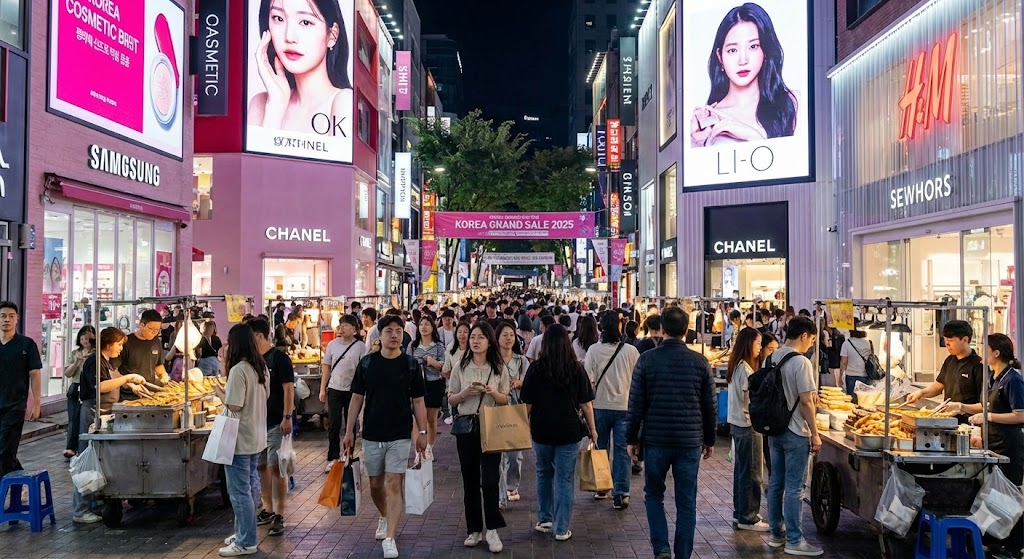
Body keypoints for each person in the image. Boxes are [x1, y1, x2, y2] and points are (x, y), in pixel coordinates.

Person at [626, 307, 715, 559]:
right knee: (686, 501)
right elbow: (709, 405)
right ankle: (683, 554)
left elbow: (636, 404)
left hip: (655, 441)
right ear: (686, 330)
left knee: (654, 494)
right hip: (689, 441)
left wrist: (631, 438)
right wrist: (709, 439)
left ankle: (661, 549)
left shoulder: (647, 360)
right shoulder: (700, 362)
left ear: (661, 329)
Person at [343, 315, 428, 559]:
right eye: (389, 330)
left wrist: (422, 432)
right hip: (371, 433)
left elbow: (419, 401)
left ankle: (390, 537)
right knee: (376, 486)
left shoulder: (410, 365)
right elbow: (357, 398)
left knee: (393, 483)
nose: (394, 335)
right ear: (379, 335)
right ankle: (384, 515)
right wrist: (349, 431)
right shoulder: (368, 364)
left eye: (398, 331)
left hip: (400, 433)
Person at [949, 334, 1024, 559]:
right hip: (993, 443)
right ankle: (997, 541)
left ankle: (1014, 547)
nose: (981, 349)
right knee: (994, 494)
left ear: (997, 352)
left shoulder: (1013, 379)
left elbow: (1020, 415)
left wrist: (988, 417)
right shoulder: (993, 376)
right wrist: (961, 406)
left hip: (1010, 446)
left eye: (985, 346)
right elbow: (985, 405)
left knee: (1009, 495)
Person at [520, 323, 595, 541]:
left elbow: (528, 403)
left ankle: (545, 519)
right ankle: (561, 528)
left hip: (541, 430)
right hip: (569, 431)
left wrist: (523, 426)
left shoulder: (535, 369)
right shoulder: (576, 368)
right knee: (564, 477)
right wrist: (592, 429)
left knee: (544, 473)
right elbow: (586, 403)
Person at [691, 3, 797, 147]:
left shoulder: (792, 103)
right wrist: (697, 144)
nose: (743, 60)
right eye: (732, 50)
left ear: (765, 51)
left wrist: (752, 136)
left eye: (753, 47)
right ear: (720, 56)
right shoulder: (709, 120)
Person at [72, 327, 148, 523]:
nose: (121, 349)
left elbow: (112, 377)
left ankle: (95, 503)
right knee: (87, 460)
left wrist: (128, 384)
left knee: (101, 459)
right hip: (91, 413)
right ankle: (80, 510)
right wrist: (128, 378)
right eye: (120, 345)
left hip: (103, 413)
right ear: (108, 344)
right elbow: (102, 386)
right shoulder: (94, 361)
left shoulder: (104, 361)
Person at [448, 322, 510, 553]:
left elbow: (505, 399)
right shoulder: (460, 368)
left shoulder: (498, 368)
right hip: (466, 427)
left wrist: (494, 393)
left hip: (491, 426)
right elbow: (451, 399)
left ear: (489, 341)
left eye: (480, 337)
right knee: (470, 480)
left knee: (490, 480)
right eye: (472, 337)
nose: (475, 341)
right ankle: (474, 529)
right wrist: (464, 394)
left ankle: (492, 529)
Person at [249, 0, 353, 135]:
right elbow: (253, 157)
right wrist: (275, 109)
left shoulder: (343, 102)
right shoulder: (260, 104)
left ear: (332, 35)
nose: (289, 37)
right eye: (279, 18)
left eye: (305, 22)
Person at [764, 316, 822, 556]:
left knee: (776, 483)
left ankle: (777, 535)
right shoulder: (801, 362)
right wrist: (815, 434)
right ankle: (795, 540)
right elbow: (807, 401)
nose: (811, 345)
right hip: (796, 430)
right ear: (805, 336)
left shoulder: (772, 356)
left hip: (774, 429)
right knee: (795, 487)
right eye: (812, 340)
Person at [214, 325, 269, 557]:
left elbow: (235, 405)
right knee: (250, 485)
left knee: (239, 491)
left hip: (238, 438)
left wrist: (219, 393)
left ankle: (246, 540)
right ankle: (244, 532)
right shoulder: (261, 367)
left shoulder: (239, 370)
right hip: (255, 435)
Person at [585, 311, 641, 509]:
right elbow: (638, 380)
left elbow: (587, 378)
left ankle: (602, 487)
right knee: (622, 451)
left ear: (600, 327)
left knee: (601, 449)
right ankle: (621, 494)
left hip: (599, 406)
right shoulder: (631, 351)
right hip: (624, 407)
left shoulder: (593, 350)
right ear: (620, 328)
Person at [248, 319, 294, 538]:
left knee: (277, 468)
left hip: (276, 420)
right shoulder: (252, 359)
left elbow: (288, 390)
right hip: (257, 422)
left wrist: (287, 416)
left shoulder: (279, 358)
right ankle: (267, 508)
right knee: (261, 466)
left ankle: (280, 513)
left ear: (259, 336)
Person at [726, 327, 768, 532]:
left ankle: (741, 511)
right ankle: (748, 516)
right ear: (748, 344)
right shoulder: (745, 369)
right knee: (752, 472)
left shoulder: (738, 366)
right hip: (747, 424)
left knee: (742, 471)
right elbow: (751, 399)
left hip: (737, 423)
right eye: (758, 343)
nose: (760, 348)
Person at [906, 320, 984, 419]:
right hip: (947, 420)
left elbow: (984, 406)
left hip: (968, 422)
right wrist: (921, 393)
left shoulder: (978, 365)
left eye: (951, 341)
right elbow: (938, 386)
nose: (947, 345)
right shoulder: (950, 360)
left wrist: (960, 407)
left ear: (964, 340)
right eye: (946, 341)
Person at [0, 302, 42, 478]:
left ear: (17, 319)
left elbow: (35, 374)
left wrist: (37, 403)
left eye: (11, 316)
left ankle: (9, 489)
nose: (7, 320)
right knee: (5, 452)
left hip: (15, 406)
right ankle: (22, 479)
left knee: (4, 450)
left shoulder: (26, 344)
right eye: (3, 316)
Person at [320, 315, 365, 472]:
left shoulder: (360, 346)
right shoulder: (332, 345)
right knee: (334, 424)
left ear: (354, 329)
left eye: (346, 325)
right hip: (334, 389)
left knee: (350, 425)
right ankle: (332, 457)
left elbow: (362, 369)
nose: (342, 328)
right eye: (341, 325)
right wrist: (322, 389)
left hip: (353, 391)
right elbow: (326, 367)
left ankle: (348, 455)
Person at [495, 321, 528, 510]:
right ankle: (500, 495)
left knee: (515, 455)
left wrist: (520, 382)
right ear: (497, 338)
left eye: (511, 335)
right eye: (504, 334)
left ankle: (512, 486)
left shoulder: (521, 361)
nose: (508, 338)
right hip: (497, 410)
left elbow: (529, 381)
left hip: (516, 410)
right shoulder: (492, 359)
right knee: (498, 455)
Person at [411, 316, 446, 460]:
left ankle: (429, 448)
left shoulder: (438, 346)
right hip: (417, 385)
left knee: (431, 419)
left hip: (433, 384)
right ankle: (417, 450)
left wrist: (433, 362)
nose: (424, 327)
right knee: (417, 420)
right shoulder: (413, 346)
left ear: (433, 327)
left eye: (427, 324)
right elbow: (408, 364)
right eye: (421, 324)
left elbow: (444, 368)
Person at [114, 309, 169, 388]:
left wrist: (164, 375)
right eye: (151, 329)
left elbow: (158, 364)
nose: (154, 332)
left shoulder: (156, 341)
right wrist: (127, 384)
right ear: (141, 325)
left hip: (150, 388)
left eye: (157, 329)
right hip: (129, 392)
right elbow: (114, 370)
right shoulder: (126, 342)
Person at [63, 325, 95, 459]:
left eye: (87, 338)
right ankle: (71, 447)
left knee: (86, 419)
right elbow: (68, 373)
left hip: (89, 390)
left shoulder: (96, 354)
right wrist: (77, 361)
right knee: (73, 418)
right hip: (76, 388)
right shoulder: (75, 353)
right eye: (82, 338)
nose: (85, 341)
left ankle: (85, 447)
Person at [839, 325, 872, 402]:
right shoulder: (867, 342)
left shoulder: (847, 343)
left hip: (851, 376)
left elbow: (843, 362)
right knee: (864, 401)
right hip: (865, 375)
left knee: (852, 401)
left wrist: (840, 376)